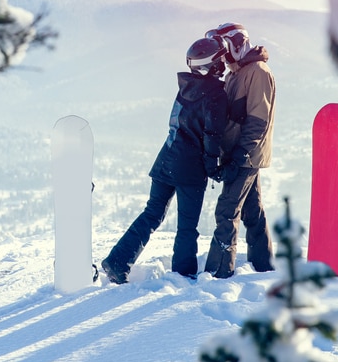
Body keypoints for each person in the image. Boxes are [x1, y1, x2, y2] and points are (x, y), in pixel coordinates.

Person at [101, 37, 229, 283]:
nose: (222, 64)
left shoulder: (186, 86)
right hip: (190, 169)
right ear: (211, 65)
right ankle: (183, 274)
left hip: (166, 159)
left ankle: (117, 261)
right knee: (187, 226)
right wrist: (214, 168)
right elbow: (212, 135)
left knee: (152, 214)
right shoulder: (216, 95)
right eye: (219, 60)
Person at [203, 22, 276, 278]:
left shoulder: (257, 72)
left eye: (224, 48)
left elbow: (258, 120)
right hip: (237, 153)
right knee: (252, 211)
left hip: (246, 155)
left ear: (237, 44)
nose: (222, 56)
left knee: (227, 209)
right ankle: (263, 265)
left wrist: (240, 156)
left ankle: (218, 272)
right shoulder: (236, 72)